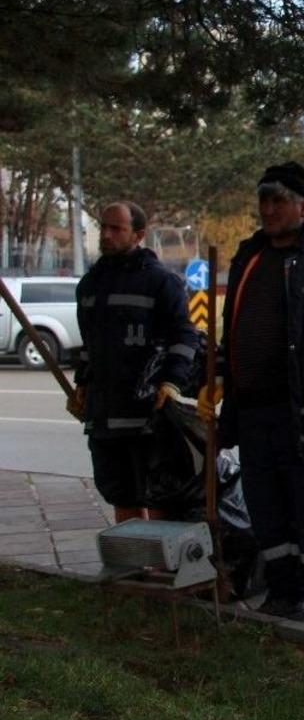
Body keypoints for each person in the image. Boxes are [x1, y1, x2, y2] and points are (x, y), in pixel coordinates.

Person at [198, 161, 304, 628]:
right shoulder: (250, 255)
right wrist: (218, 374)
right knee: (267, 507)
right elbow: (232, 325)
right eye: (264, 201)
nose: (269, 209)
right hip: (254, 411)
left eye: (279, 201)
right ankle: (283, 590)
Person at [69, 201, 198, 523]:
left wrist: (172, 382)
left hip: (149, 416)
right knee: (120, 495)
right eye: (104, 227)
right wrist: (82, 384)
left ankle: (160, 554)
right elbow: (90, 344)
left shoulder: (160, 282)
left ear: (138, 235)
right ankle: (132, 552)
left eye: (117, 229)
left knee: (157, 495)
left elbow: (184, 336)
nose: (106, 235)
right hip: (104, 415)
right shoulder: (90, 285)